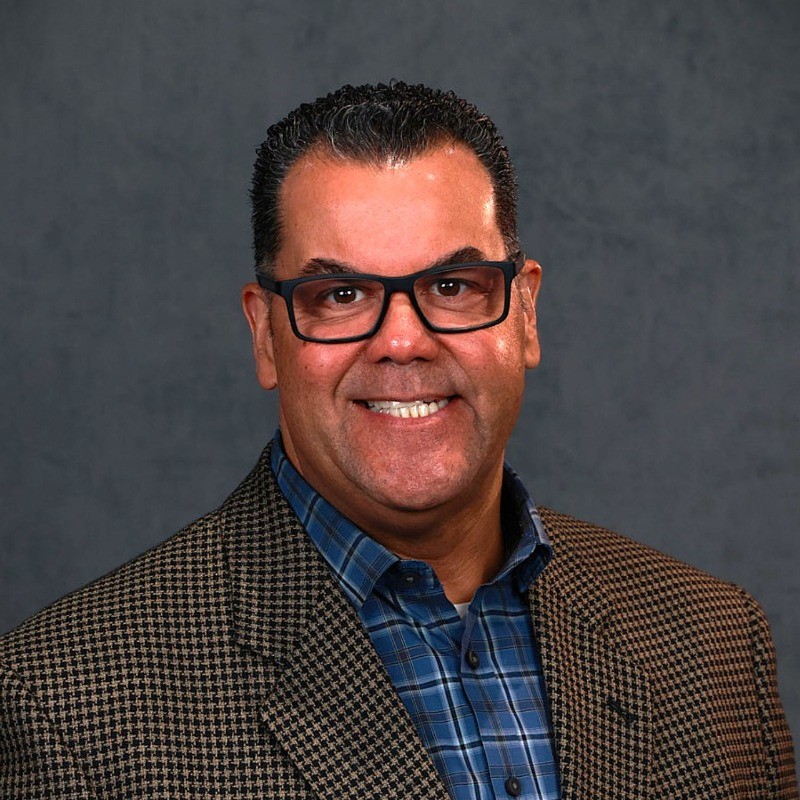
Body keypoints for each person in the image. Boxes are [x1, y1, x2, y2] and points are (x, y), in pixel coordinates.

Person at [0, 81, 795, 799]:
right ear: (266, 336)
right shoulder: (67, 707)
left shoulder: (712, 642)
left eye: (452, 286)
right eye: (341, 294)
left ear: (524, 314)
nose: (403, 343)